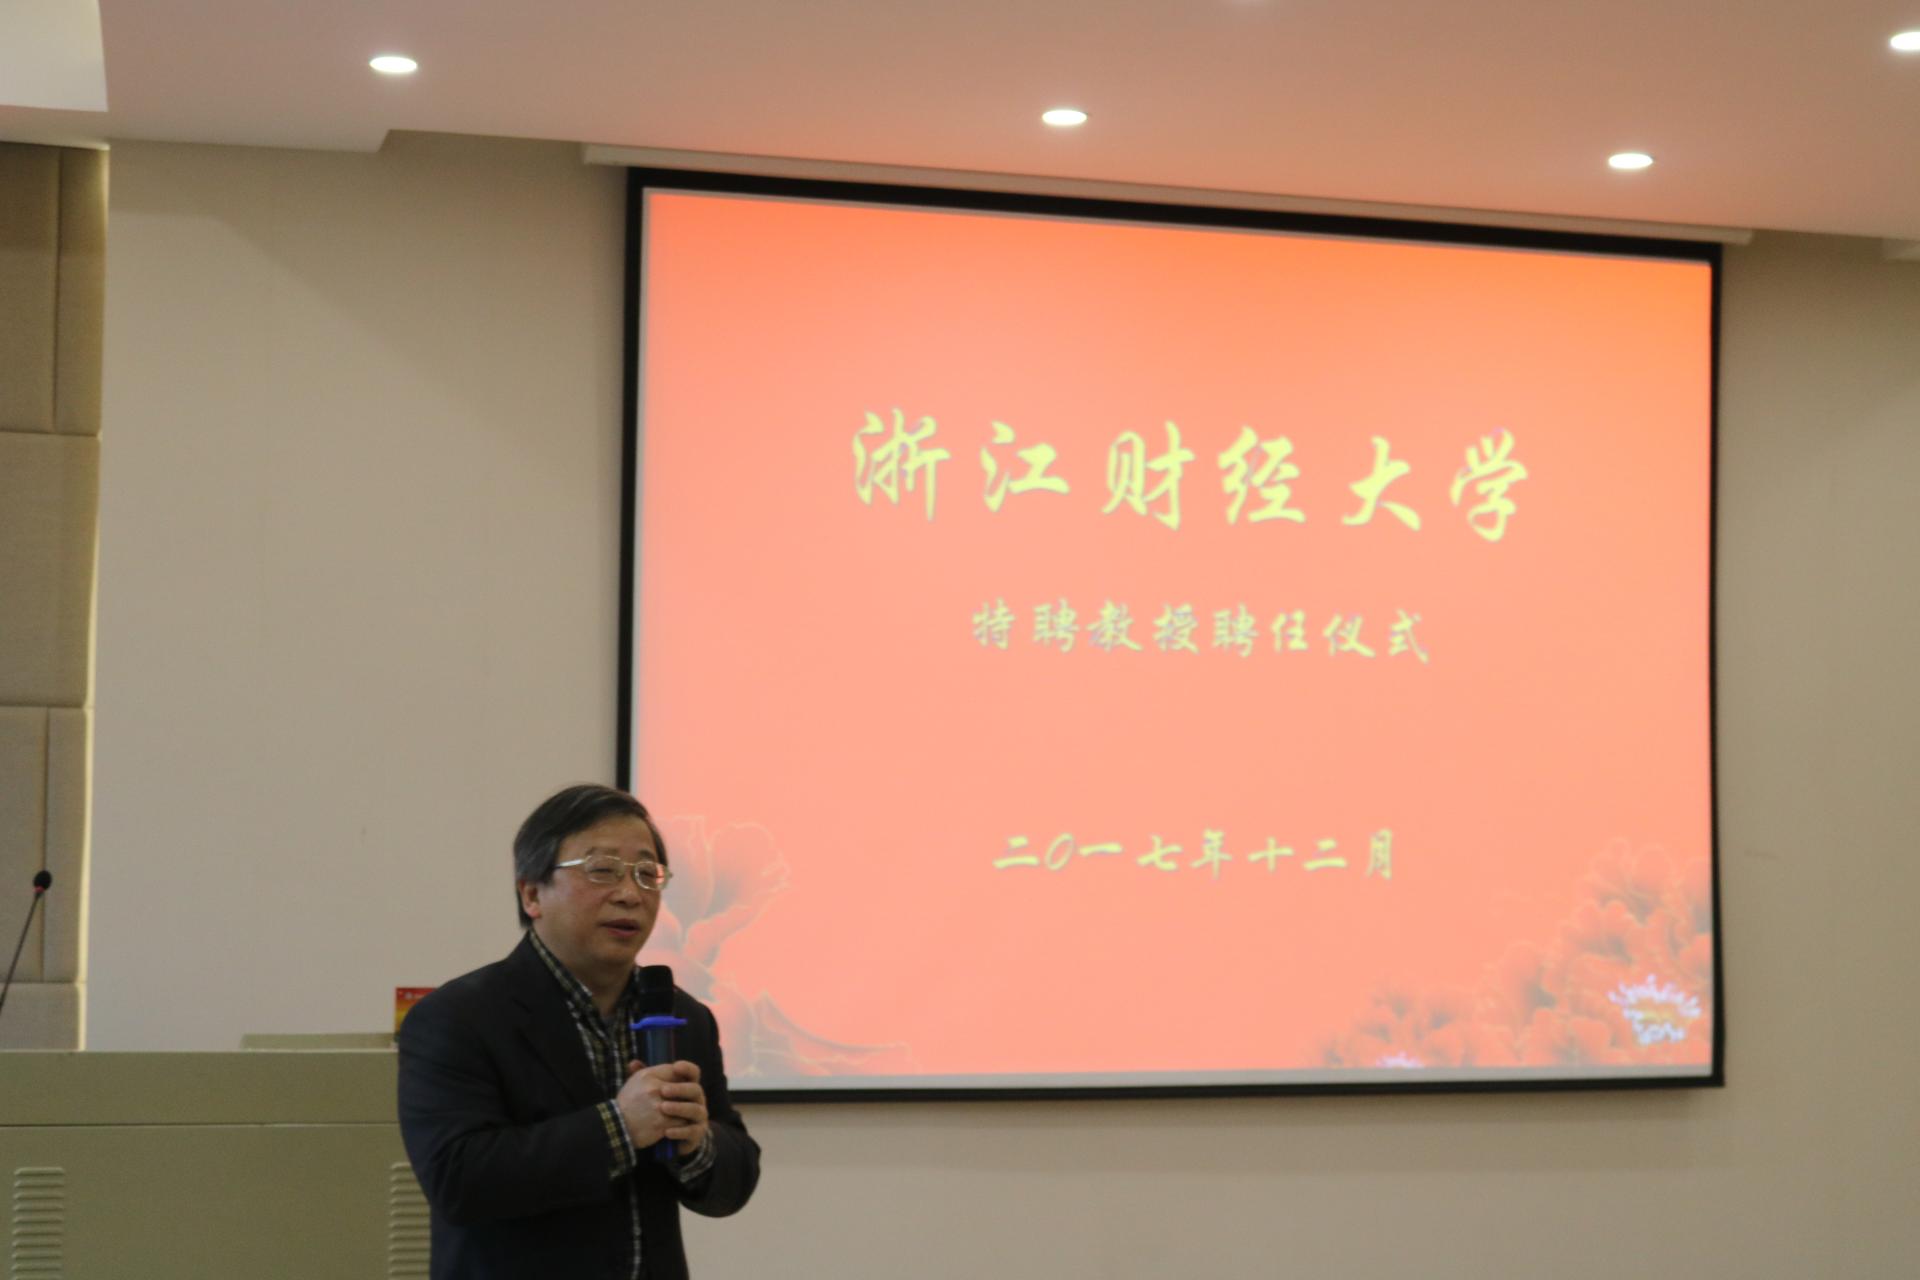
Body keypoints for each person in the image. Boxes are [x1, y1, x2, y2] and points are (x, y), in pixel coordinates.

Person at [398, 784, 759, 1279]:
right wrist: (621, 1126)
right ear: (532, 894)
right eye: (602, 870)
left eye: (646, 874)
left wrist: (698, 1143)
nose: (630, 894)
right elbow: (458, 1180)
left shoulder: (683, 1016)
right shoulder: (457, 1017)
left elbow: (734, 1184)